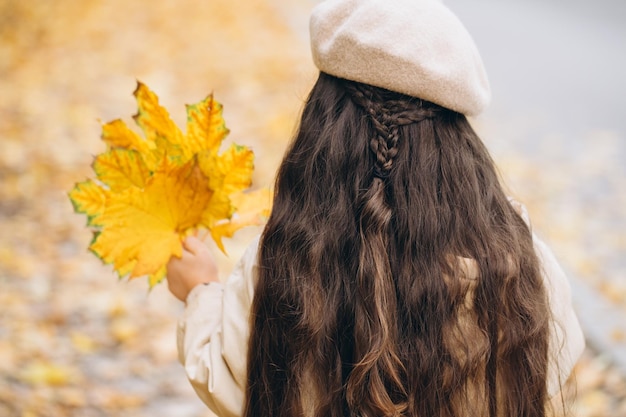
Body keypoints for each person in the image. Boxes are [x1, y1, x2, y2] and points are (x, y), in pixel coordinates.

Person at [166, 0, 585, 416]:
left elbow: (235, 380)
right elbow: (551, 371)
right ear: (459, 141)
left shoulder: (285, 265)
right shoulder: (519, 267)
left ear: (323, 130)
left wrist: (200, 292)